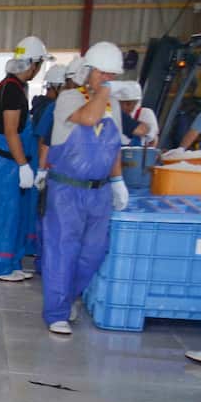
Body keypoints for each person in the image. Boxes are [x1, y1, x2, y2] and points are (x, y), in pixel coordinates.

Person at [40, 42, 130, 335]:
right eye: (103, 73)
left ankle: (69, 298)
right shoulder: (68, 99)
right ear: (88, 71)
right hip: (67, 191)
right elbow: (90, 118)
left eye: (112, 75)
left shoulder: (113, 105)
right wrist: (102, 93)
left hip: (99, 192)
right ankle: (56, 312)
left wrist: (117, 182)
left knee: (93, 252)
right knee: (61, 250)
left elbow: (113, 146)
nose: (108, 80)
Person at [0, 36, 51, 282]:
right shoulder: (11, 90)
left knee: (13, 217)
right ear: (32, 64)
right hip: (7, 164)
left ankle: (11, 263)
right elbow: (11, 131)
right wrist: (23, 165)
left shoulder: (12, 86)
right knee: (5, 215)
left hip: (9, 162)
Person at [111, 81, 156, 146]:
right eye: (128, 104)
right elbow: (141, 130)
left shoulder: (145, 113)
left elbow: (153, 141)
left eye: (134, 104)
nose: (131, 108)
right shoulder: (117, 115)